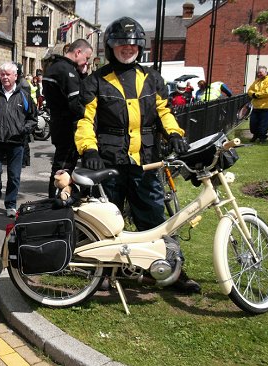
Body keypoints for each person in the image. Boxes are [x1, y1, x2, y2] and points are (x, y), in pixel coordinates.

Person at [75, 17, 200, 294]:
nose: (127, 48)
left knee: (155, 217)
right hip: (109, 162)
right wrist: (90, 149)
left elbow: (165, 112)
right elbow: (86, 120)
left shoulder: (152, 78)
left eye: (132, 44)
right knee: (108, 221)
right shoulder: (96, 80)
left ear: (139, 47)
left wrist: (175, 134)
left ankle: (172, 271)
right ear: (110, 47)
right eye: (121, 43)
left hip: (145, 161)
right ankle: (104, 273)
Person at [0, 62, 37, 217]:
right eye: (2, 74)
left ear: (15, 76)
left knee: (14, 176)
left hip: (16, 143)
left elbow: (33, 118)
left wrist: (23, 130)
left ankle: (10, 204)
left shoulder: (24, 95)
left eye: (7, 74)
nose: (4, 77)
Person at [42, 38, 93, 198]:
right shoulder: (67, 71)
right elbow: (76, 103)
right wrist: (90, 116)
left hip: (59, 124)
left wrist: (83, 75)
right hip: (67, 127)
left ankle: (57, 201)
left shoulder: (58, 67)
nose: (86, 62)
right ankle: (55, 203)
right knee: (63, 168)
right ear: (78, 52)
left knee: (62, 166)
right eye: (86, 58)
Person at [247, 66, 268, 143]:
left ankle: (262, 138)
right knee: (253, 123)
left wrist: (256, 95)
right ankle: (255, 135)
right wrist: (253, 94)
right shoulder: (257, 81)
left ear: (265, 72)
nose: (259, 74)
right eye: (258, 72)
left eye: (261, 72)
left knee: (263, 124)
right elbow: (250, 90)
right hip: (256, 106)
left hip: (266, 106)